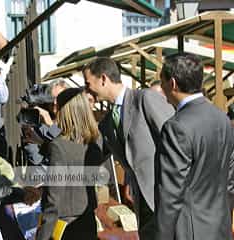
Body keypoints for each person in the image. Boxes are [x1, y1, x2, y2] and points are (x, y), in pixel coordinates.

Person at [83, 57, 174, 239]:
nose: (86, 90)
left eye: (87, 83)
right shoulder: (108, 121)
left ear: (103, 79)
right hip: (142, 203)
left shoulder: (145, 99)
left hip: (168, 199)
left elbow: (177, 140)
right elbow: (91, 155)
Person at [155, 53, 234, 240]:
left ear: (172, 83)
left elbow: (170, 195)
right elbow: (229, 181)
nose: (161, 88)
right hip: (219, 227)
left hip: (188, 231)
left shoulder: (176, 126)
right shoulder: (222, 118)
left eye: (162, 82)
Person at [36, 87, 103, 240]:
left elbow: (53, 200)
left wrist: (43, 235)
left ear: (64, 111)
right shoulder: (96, 140)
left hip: (65, 226)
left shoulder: (59, 145)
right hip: (87, 219)